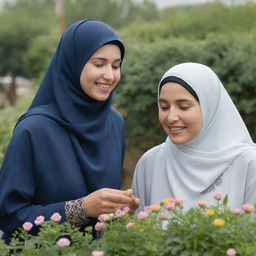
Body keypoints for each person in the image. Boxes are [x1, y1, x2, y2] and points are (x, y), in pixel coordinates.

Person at [0, 19, 139, 242]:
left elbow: (101, 214)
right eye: (99, 63)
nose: (110, 75)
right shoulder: (34, 129)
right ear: (73, 63)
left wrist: (120, 209)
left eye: (115, 65)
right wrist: (80, 209)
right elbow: (9, 215)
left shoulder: (114, 123)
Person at [132, 62, 256, 211]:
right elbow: (137, 228)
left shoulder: (249, 164)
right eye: (164, 107)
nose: (171, 117)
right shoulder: (150, 163)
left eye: (183, 107)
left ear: (208, 107)